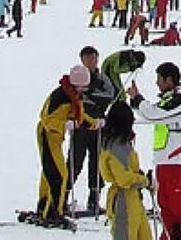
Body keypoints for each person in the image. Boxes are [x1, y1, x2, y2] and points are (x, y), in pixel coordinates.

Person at [127, 62, 181, 240]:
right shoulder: (170, 98)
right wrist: (136, 100)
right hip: (165, 160)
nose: (157, 83)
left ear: (169, 80)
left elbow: (155, 113)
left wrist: (138, 99)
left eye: (159, 79)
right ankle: (170, 236)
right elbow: (150, 114)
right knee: (166, 205)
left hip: (176, 160)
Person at [34, 66, 94, 227]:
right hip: (47, 135)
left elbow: (79, 117)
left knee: (50, 172)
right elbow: (46, 119)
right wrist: (64, 125)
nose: (84, 90)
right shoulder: (60, 96)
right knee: (60, 175)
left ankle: (44, 206)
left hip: (56, 137)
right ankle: (53, 213)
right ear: (75, 84)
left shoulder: (73, 95)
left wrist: (94, 123)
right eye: (82, 86)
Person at [97, 101, 153, 240]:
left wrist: (141, 177)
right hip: (124, 200)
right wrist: (145, 181)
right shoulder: (116, 146)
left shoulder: (121, 142)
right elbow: (124, 179)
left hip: (134, 198)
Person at [71, 46, 116, 216]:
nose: (92, 62)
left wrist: (90, 94)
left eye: (94, 59)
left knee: (97, 163)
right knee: (75, 161)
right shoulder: (77, 77)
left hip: (98, 126)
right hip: (80, 126)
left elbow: (108, 97)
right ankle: (64, 194)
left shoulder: (102, 78)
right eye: (88, 59)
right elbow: (73, 97)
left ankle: (94, 198)